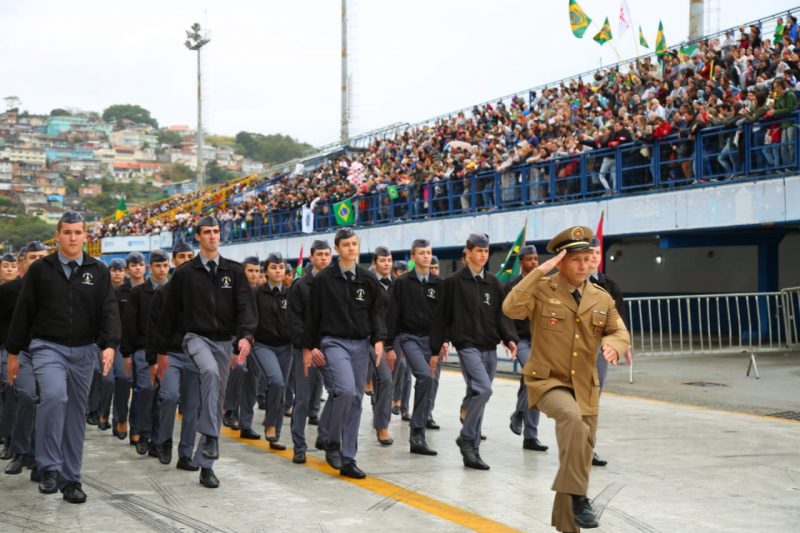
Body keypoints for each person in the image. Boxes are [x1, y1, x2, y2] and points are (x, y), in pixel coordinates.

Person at [503, 225, 630, 532]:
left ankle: (567, 523)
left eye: (589, 259)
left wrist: (613, 346)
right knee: (573, 421)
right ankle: (579, 495)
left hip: (585, 384)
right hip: (548, 381)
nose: (584, 265)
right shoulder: (543, 289)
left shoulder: (601, 298)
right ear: (560, 261)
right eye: (577, 260)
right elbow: (511, 307)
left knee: (579, 451)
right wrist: (539, 272)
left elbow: (619, 330)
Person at [6, 211, 119, 503]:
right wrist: (14, 351)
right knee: (55, 397)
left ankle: (71, 480)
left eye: (77, 232)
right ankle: (49, 468)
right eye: (66, 232)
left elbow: (108, 310)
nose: (72, 237)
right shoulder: (41, 270)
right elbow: (24, 311)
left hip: (84, 351)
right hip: (47, 347)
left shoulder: (99, 270)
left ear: (85, 236)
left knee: (75, 415)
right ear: (57, 235)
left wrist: (108, 344)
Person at [156, 216, 257, 489]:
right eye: (207, 232)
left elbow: (246, 307)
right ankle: (210, 435)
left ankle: (206, 466)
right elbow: (168, 316)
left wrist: (246, 337)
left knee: (214, 401)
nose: (213, 236)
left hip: (224, 342)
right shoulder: (185, 274)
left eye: (216, 231)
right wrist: (161, 352)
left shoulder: (234, 271)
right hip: (195, 337)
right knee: (209, 373)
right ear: (198, 236)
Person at [303, 227, 386, 479]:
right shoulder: (323, 280)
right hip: (333, 342)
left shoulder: (367, 280)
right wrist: (309, 346)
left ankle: (348, 457)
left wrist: (380, 339)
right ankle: (331, 439)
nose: (351, 248)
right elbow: (313, 316)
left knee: (357, 398)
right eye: (346, 245)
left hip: (361, 344)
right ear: (337, 249)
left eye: (354, 244)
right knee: (346, 390)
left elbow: (377, 313)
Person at [431, 233, 518, 470]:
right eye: (478, 250)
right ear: (467, 252)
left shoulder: (493, 283)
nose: (482, 255)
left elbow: (501, 316)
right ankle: (467, 438)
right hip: (467, 345)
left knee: (478, 394)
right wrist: (436, 347)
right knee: (484, 389)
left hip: (489, 346)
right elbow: (442, 317)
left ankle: (473, 452)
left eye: (486, 251)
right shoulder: (453, 282)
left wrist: (509, 339)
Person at [386, 238, 443, 456]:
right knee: (424, 376)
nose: (426, 256)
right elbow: (393, 315)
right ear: (413, 257)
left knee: (431, 381)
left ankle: (421, 424)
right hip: (409, 338)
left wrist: (442, 343)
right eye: (421, 253)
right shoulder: (402, 283)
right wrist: (390, 345)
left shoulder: (439, 284)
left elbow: (442, 317)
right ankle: (416, 432)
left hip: (431, 340)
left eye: (429, 252)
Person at [147, 241, 201, 470]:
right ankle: (165, 440)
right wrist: (152, 360)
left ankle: (186, 453)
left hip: (196, 355)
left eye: (190, 256)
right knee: (168, 397)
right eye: (181, 256)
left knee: (192, 407)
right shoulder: (163, 293)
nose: (186, 260)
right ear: (174, 261)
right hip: (169, 354)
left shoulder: (203, 291)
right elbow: (153, 328)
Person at [1, 242, 48, 476]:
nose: (38, 261)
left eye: (42, 256)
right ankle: (20, 450)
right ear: (22, 262)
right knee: (27, 396)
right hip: (20, 352)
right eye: (32, 257)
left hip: (50, 353)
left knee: (47, 401)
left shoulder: (56, 289)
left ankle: (39, 458)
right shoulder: (9, 291)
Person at [121, 250, 170, 456]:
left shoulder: (174, 291)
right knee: (146, 390)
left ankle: (157, 439)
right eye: (157, 266)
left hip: (167, 350)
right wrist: (127, 353)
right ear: (151, 268)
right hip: (142, 348)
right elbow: (129, 324)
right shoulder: (139, 293)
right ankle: (142, 433)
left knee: (163, 394)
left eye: (165, 265)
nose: (162, 270)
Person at [587, 237, 631, 467]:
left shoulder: (610, 286)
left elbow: (619, 320)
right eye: (590, 252)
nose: (594, 256)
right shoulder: (571, 284)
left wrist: (624, 345)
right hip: (575, 349)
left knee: (594, 399)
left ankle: (587, 449)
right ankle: (574, 447)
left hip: (601, 348)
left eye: (597, 253)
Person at [288, 240, 330, 464]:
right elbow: (294, 322)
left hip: (331, 347)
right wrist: (306, 346)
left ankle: (324, 436)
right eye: (319, 255)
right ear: (311, 258)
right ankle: (299, 445)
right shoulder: (300, 286)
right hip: (305, 348)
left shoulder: (335, 282)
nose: (324, 258)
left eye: (327, 254)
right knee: (303, 398)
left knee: (339, 393)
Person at [504, 245, 549, 452]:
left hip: (541, 341)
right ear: (521, 262)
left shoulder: (546, 286)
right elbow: (506, 316)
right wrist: (510, 340)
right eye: (529, 259)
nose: (534, 263)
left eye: (536, 259)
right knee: (534, 374)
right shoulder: (512, 287)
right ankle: (522, 418)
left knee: (532, 381)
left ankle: (529, 432)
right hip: (521, 340)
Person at [249, 253, 294, 449]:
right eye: (274, 267)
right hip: (263, 345)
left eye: (281, 267)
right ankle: (270, 424)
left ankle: (275, 429)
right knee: (275, 380)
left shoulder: (290, 294)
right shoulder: (257, 294)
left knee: (281, 387)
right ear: (266, 271)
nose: (278, 271)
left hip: (286, 346)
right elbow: (249, 318)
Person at [223, 256, 261, 436]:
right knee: (239, 369)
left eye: (256, 271)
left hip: (258, 343)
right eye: (250, 270)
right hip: (236, 340)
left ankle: (246, 424)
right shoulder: (235, 292)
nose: (253, 274)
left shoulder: (261, 292)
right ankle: (229, 409)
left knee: (252, 383)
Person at [87, 257, 126, 431]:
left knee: (120, 380)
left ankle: (112, 417)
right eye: (114, 270)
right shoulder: (98, 289)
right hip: (99, 342)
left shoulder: (131, 292)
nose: (117, 273)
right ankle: (95, 411)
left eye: (120, 270)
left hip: (119, 343)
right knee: (101, 377)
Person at [113, 252, 147, 443]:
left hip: (142, 345)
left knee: (140, 388)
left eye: (141, 264)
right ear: (128, 269)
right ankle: (121, 417)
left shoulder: (151, 289)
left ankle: (136, 426)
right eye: (133, 265)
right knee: (123, 380)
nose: (137, 268)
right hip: (121, 344)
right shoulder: (119, 293)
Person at [369, 247, 396, 446]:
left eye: (389, 260)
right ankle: (382, 426)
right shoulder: (366, 282)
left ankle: (380, 416)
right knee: (385, 379)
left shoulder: (397, 284)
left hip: (390, 340)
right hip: (368, 339)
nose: (387, 263)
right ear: (374, 262)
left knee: (387, 381)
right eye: (383, 260)